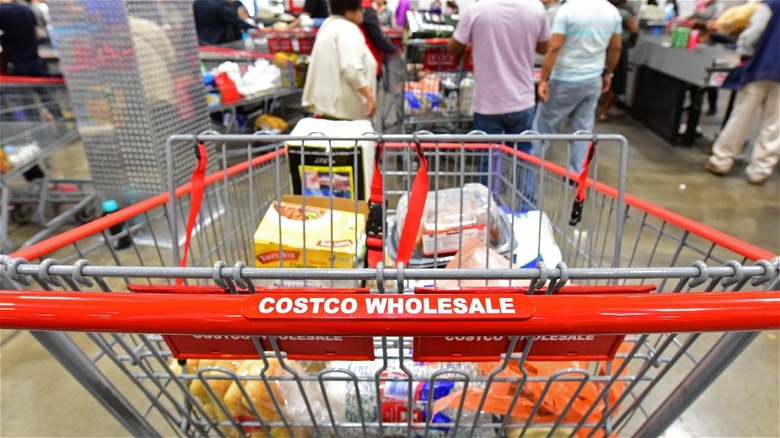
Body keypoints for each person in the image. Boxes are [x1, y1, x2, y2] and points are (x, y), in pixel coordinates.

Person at [447, 0, 549, 194]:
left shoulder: (476, 10)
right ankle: (527, 213)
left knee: (487, 162)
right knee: (523, 160)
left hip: (488, 103)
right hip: (522, 100)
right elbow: (544, 47)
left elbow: (453, 48)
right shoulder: (535, 8)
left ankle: (488, 212)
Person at [531, 0, 622, 175]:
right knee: (583, 129)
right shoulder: (612, 12)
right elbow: (616, 47)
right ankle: (576, 174)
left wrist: (543, 79)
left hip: (564, 78)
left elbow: (555, 46)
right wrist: (608, 74)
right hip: (592, 79)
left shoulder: (567, 11)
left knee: (544, 127)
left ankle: (529, 167)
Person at [706, 0, 779, 185]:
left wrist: (745, 53)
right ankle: (760, 171)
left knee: (741, 116)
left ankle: (721, 160)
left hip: (760, 67)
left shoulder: (771, 4)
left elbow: (752, 34)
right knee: (774, 125)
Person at [301, 0, 377, 121]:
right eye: (360, 8)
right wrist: (369, 96)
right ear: (350, 11)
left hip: (328, 110)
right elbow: (350, 67)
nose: (363, 11)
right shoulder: (347, 29)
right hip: (344, 117)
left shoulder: (329, 26)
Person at [599, 0, 638, 122]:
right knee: (614, 80)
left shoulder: (602, 11)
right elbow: (634, 30)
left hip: (601, 47)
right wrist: (631, 42)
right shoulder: (622, 14)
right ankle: (604, 112)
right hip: (617, 48)